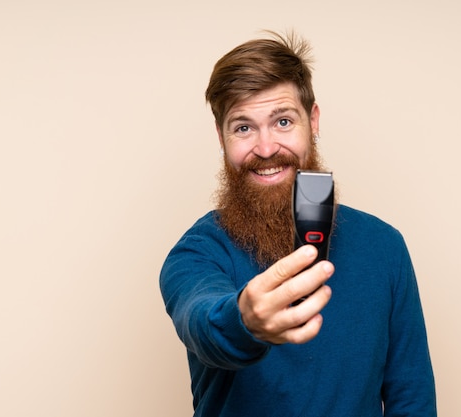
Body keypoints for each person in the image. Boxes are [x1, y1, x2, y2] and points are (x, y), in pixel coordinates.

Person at [160, 31, 436, 417]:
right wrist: (245, 320)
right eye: (243, 127)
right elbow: (202, 321)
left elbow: (412, 399)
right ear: (221, 139)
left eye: (283, 121)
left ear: (313, 121)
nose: (267, 148)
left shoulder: (385, 246)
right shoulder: (197, 251)